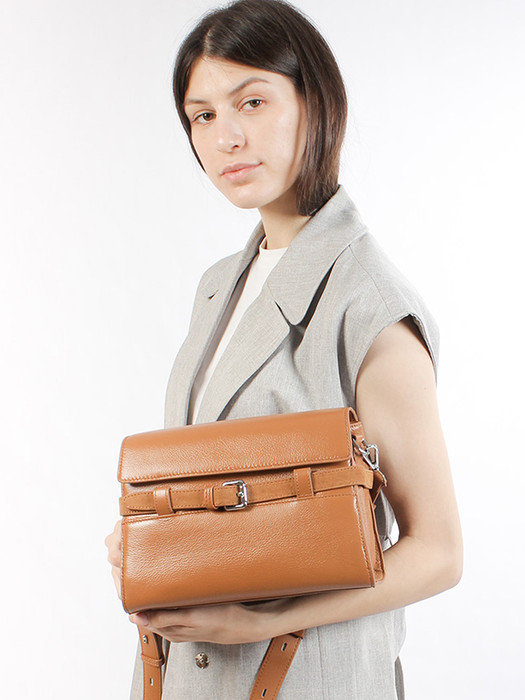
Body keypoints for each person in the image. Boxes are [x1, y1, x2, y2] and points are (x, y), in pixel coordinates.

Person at [105, 1, 463, 697]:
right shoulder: (220, 284)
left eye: (252, 101)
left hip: (307, 677)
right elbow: (221, 483)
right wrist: (152, 541)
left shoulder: (370, 303)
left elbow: (439, 552)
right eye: (202, 115)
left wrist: (259, 621)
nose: (227, 136)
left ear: (315, 103)